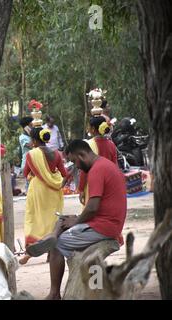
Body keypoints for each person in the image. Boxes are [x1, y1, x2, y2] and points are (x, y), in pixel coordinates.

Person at [26, 139, 127, 300]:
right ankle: (54, 233)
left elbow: (93, 207)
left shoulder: (97, 170)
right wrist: (76, 219)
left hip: (105, 227)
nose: (76, 166)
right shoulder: (103, 165)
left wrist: (77, 220)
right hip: (104, 222)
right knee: (63, 220)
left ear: (82, 154)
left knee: (57, 245)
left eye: (74, 161)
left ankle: (53, 294)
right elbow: (94, 207)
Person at [19, 127, 68, 265]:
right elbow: (64, 174)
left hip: (38, 190)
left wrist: (33, 175)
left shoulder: (31, 154)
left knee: (34, 219)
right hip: (54, 192)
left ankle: (29, 254)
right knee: (52, 220)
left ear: (34, 140)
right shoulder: (57, 153)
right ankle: (51, 253)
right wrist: (58, 184)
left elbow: (25, 173)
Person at [78, 116, 118, 205]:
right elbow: (115, 167)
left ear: (92, 129)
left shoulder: (87, 145)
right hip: (108, 184)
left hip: (93, 186)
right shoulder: (111, 145)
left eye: (89, 127)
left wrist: (81, 189)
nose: (88, 129)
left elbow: (84, 170)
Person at [19, 116, 34, 195]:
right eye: (31, 124)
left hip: (34, 161)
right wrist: (31, 134)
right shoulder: (22, 137)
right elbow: (31, 146)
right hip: (27, 163)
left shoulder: (31, 136)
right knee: (30, 184)